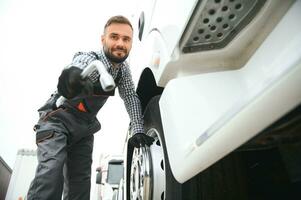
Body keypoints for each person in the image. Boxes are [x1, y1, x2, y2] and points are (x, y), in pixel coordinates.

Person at [27, 15, 154, 200]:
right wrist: (72, 76)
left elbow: (131, 99)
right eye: (114, 37)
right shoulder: (91, 58)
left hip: (84, 129)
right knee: (51, 172)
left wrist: (138, 129)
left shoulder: (123, 71)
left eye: (126, 39)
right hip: (56, 121)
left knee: (80, 184)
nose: (120, 43)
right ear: (103, 39)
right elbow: (78, 63)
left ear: (131, 43)